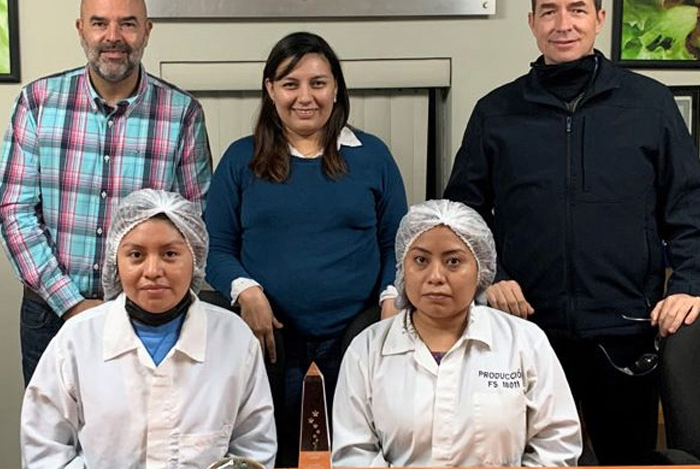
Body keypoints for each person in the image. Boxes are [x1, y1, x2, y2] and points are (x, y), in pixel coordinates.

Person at [443, 0, 700, 465]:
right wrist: (493, 275)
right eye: (550, 11)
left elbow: (689, 205)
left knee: (628, 461)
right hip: (524, 331)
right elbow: (463, 213)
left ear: (600, 17)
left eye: (577, 10)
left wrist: (689, 283)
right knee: (519, 459)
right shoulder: (496, 112)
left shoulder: (650, 105)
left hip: (625, 332)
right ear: (532, 22)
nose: (564, 24)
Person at [205, 31, 407, 466]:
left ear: (336, 88)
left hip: (356, 331)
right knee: (270, 450)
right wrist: (245, 291)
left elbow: (399, 241)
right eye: (290, 84)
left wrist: (392, 298)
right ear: (270, 89)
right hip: (269, 334)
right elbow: (214, 247)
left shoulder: (372, 156)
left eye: (318, 83)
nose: (305, 97)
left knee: (357, 450)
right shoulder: (241, 159)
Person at [0, 0, 212, 386]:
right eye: (99, 23)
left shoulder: (182, 113)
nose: (113, 36)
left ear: (147, 31)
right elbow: (14, 210)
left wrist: (148, 302)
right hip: (51, 314)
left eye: (128, 24)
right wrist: (71, 303)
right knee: (52, 427)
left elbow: (193, 224)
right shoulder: (38, 102)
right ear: (81, 29)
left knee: (144, 426)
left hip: (146, 316)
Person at [21, 189, 276, 468]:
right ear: (116, 261)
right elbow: (45, 449)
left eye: (170, 254)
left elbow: (253, 448)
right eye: (136, 255)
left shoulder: (234, 340)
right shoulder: (76, 340)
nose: (153, 270)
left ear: (195, 257)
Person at [332, 200, 581, 467]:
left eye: (453, 261)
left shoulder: (525, 342)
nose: (435, 276)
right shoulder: (366, 350)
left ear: (481, 269)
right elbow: (354, 454)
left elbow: (556, 445)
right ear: (403, 267)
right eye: (421, 260)